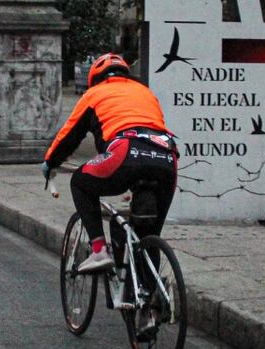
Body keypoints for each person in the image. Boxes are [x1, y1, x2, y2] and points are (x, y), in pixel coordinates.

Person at [42, 53, 178, 281]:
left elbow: (69, 135)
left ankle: (98, 250)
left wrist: (50, 162)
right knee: (149, 233)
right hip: (166, 157)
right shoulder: (146, 92)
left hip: (126, 150)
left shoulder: (94, 94)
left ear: (95, 77)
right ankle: (151, 302)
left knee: (80, 182)